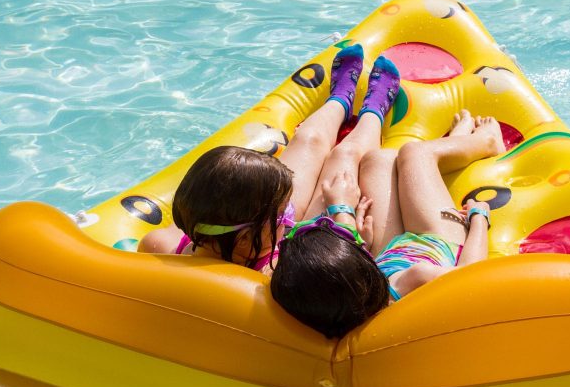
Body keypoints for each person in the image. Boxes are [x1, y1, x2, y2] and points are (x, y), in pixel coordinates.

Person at [138, 44, 400, 274]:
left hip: (254, 228)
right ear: (243, 237)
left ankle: (340, 99)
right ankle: (373, 112)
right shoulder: (274, 273)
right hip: (305, 242)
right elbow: (344, 272)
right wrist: (343, 213)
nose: (288, 213)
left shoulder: (159, 245)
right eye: (281, 214)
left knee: (307, 139)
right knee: (345, 155)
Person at [272, 110, 504, 338]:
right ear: (359, 267)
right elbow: (469, 276)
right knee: (414, 153)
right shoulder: (415, 277)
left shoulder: (337, 306)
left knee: (377, 160)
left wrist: (364, 242)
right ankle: (485, 142)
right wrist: (479, 218)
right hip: (438, 242)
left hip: (389, 252)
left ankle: (448, 152)